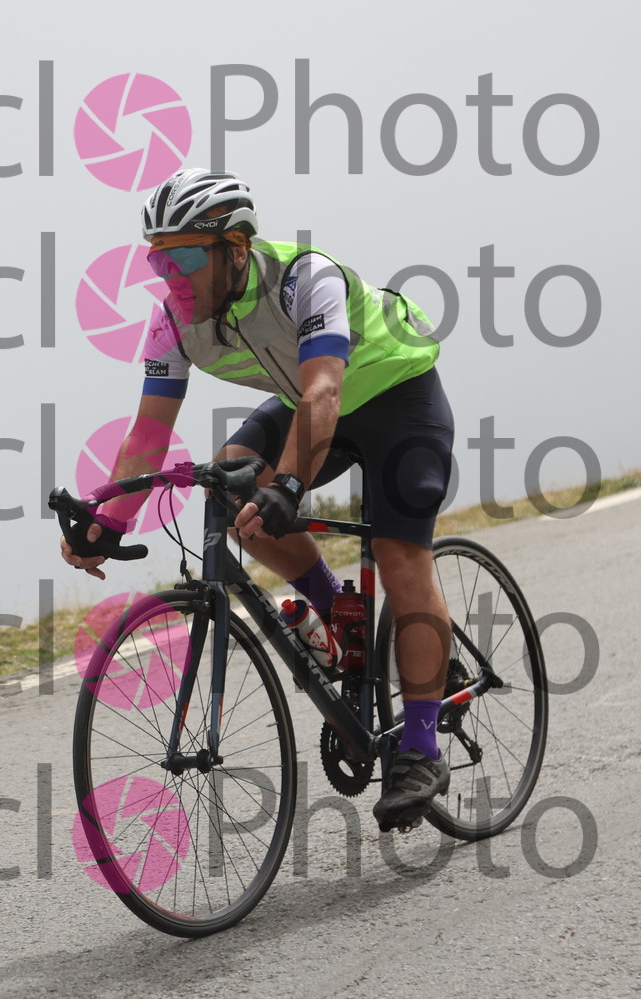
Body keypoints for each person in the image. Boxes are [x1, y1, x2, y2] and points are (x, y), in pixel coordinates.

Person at [58, 167, 456, 832]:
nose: (172, 276)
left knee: (398, 555)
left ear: (236, 249)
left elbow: (324, 390)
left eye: (186, 258)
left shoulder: (306, 279)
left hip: (395, 396)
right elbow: (149, 432)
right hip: (307, 402)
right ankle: (339, 613)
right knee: (228, 487)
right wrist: (106, 521)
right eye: (160, 261)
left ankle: (419, 748)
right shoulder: (172, 322)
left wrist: (289, 485)